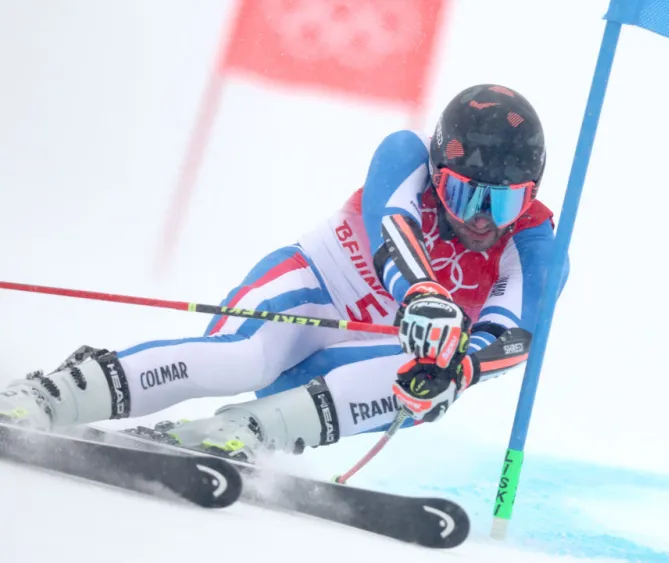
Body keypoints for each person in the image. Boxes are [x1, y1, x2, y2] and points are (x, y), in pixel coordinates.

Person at [0, 84, 569, 462]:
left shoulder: (537, 243)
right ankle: (50, 395)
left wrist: (462, 368)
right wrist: (421, 292)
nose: (479, 220)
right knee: (241, 359)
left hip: (355, 358)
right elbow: (391, 228)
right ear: (438, 168)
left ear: (531, 196)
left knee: (436, 381)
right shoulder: (405, 154)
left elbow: (513, 336)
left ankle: (243, 433)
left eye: (502, 204)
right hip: (309, 291)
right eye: (462, 194)